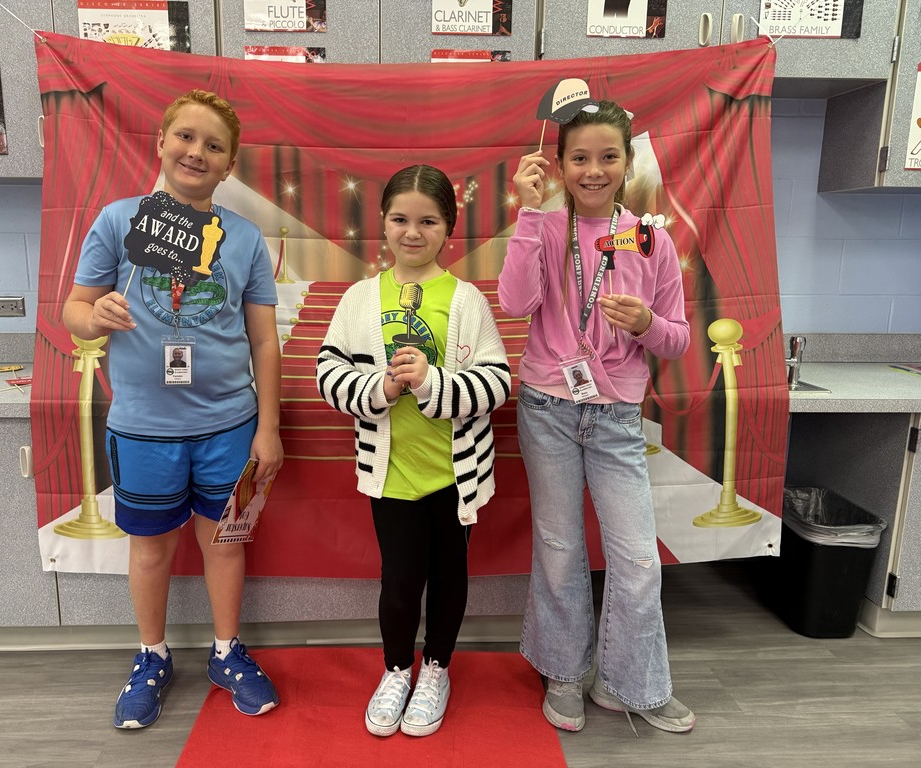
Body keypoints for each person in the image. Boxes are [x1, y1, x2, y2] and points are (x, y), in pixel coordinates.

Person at [62, 89, 283, 729]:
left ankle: (226, 651)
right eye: (185, 136)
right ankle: (152, 655)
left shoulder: (244, 239)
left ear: (229, 165)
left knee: (225, 544)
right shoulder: (117, 221)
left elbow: (264, 341)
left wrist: (268, 429)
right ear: (160, 143)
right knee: (151, 548)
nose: (196, 152)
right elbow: (74, 309)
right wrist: (93, 317)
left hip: (229, 426)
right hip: (143, 430)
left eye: (214, 146)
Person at [498, 99, 695, 734]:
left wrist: (647, 323)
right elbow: (514, 301)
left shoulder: (650, 238)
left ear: (627, 161)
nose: (593, 170)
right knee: (559, 547)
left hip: (614, 416)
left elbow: (678, 339)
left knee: (637, 558)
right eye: (579, 157)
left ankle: (630, 682)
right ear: (558, 164)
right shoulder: (545, 226)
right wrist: (529, 213)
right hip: (547, 407)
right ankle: (563, 672)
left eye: (608, 156)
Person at [316, 165, 510, 738]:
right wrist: (381, 387)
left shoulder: (467, 299)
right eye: (400, 219)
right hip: (391, 474)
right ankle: (398, 669)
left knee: (449, 576)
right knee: (399, 580)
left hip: (456, 475)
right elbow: (327, 373)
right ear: (382, 222)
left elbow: (498, 382)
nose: (413, 232)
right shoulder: (360, 299)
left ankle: (437, 669)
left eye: (428, 221)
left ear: (448, 227)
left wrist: (432, 383)